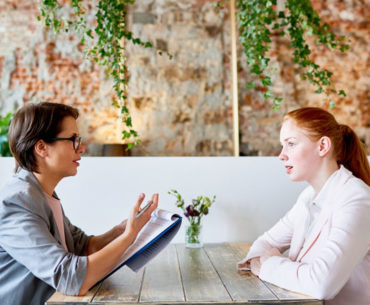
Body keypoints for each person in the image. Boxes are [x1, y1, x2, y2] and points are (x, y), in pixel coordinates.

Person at [0, 102, 158, 305]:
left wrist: (121, 230)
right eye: (73, 140)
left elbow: (83, 247)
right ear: (41, 148)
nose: (81, 148)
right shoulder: (17, 203)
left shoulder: (43, 194)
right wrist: (129, 237)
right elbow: (70, 278)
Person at [238, 107, 370, 305]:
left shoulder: (357, 199)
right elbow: (261, 246)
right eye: (283, 145)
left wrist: (270, 264)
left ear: (323, 146)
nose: (281, 155)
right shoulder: (308, 198)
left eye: (291, 144)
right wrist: (291, 271)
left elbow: (321, 285)